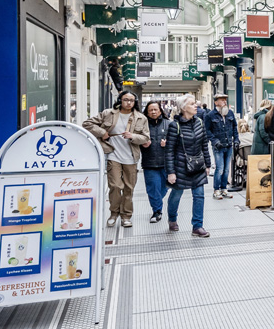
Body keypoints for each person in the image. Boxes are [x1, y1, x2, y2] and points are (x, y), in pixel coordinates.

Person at [83, 90, 149, 228]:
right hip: (113, 155)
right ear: (120, 100)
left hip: (131, 157)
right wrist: (102, 133)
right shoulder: (108, 113)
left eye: (131, 100)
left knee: (128, 189)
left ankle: (126, 216)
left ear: (135, 102)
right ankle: (114, 213)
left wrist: (132, 136)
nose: (128, 102)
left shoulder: (141, 118)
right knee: (115, 186)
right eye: (125, 99)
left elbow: (145, 138)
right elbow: (87, 124)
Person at [165, 93, 212, 237]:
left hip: (197, 166)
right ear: (183, 108)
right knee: (176, 194)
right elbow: (169, 151)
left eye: (195, 103)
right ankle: (172, 219)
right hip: (180, 167)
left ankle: (197, 226)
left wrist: (208, 164)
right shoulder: (175, 126)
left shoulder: (199, 122)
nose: (196, 105)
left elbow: (204, 144)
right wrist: (171, 172)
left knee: (199, 195)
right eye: (192, 104)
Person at [141, 101, 171, 223]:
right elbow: (135, 140)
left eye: (155, 109)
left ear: (160, 110)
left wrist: (168, 143)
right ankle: (157, 211)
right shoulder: (143, 125)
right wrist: (141, 143)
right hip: (149, 162)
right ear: (147, 112)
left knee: (165, 187)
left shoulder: (169, 124)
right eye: (150, 110)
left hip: (166, 163)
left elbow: (178, 141)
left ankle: (157, 201)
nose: (153, 112)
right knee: (153, 188)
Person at [205, 94, 237, 200]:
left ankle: (224, 189)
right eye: (222, 100)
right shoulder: (210, 115)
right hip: (218, 146)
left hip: (229, 145)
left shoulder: (230, 113)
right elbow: (207, 131)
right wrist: (215, 141)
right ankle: (216, 190)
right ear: (216, 102)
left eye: (225, 100)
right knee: (219, 169)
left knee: (227, 169)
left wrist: (236, 139)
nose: (224, 102)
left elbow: (234, 127)